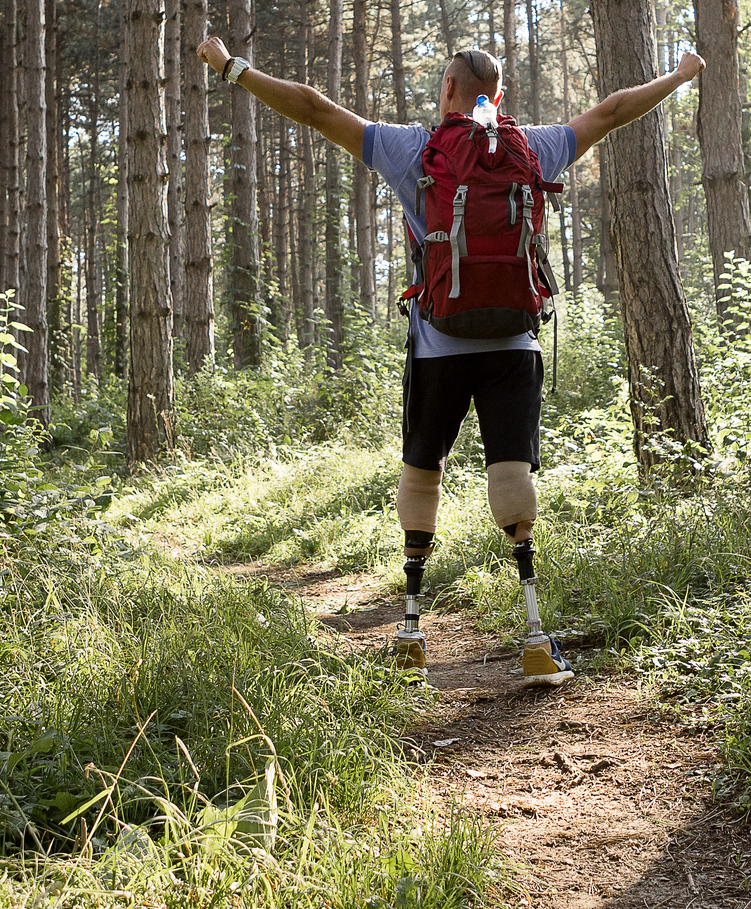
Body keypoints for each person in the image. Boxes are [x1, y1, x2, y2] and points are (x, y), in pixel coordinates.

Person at [195, 34, 705, 685]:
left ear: (446, 93)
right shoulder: (535, 145)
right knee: (510, 475)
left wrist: (233, 67)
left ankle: (410, 633)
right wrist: (679, 75)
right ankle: (535, 640)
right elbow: (608, 111)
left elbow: (316, 109)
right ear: (500, 97)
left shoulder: (414, 148)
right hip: (513, 345)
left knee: (421, 473)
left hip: (438, 344)